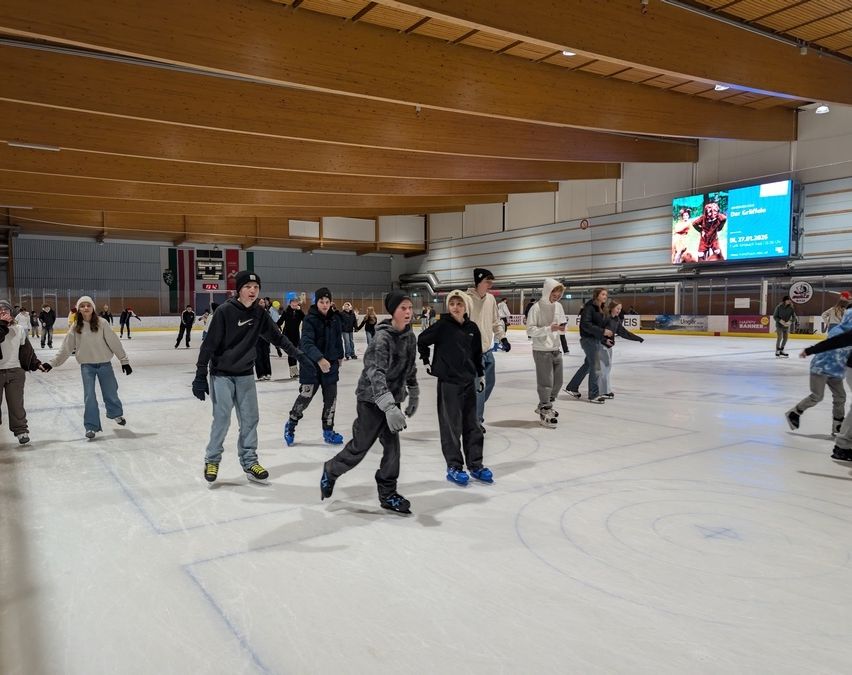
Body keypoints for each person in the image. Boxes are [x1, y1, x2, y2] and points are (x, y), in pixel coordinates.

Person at [193, 271, 311, 484]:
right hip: (222, 374)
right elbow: (209, 344)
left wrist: (299, 356)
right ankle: (212, 459)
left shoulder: (259, 313)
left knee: (250, 419)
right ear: (239, 289)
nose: (252, 290)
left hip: (245, 374)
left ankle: (249, 461)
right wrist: (201, 373)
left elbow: (277, 337)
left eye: (256, 287)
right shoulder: (224, 311)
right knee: (222, 419)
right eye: (248, 286)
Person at [320, 291, 418, 514]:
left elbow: (410, 367)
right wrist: (389, 406)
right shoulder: (382, 338)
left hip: (391, 402)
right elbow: (375, 373)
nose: (408, 312)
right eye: (403, 308)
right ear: (393, 311)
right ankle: (331, 469)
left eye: (410, 308)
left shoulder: (410, 337)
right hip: (370, 400)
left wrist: (413, 392)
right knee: (360, 447)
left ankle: (388, 493)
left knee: (393, 450)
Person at [418, 290, 490, 485]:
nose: (455, 307)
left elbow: (476, 354)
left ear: (466, 306)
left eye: (459, 304)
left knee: (472, 425)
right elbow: (422, 340)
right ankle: (454, 466)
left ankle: (475, 465)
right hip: (448, 382)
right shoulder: (442, 326)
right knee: (451, 426)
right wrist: (425, 360)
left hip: (468, 381)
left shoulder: (472, 328)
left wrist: (480, 373)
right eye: (452, 304)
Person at [46, 296, 132, 440]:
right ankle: (91, 426)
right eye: (82, 306)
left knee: (111, 391)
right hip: (87, 367)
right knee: (89, 396)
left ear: (93, 308)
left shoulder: (102, 323)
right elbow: (66, 348)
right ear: (78, 309)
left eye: (88, 305)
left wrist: (124, 360)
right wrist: (52, 363)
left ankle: (115, 414)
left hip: (105, 364)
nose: (86, 308)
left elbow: (114, 342)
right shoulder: (75, 326)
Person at [283, 287, 345, 446]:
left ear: (331, 302)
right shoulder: (310, 320)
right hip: (311, 366)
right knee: (305, 398)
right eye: (321, 302)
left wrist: (339, 355)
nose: (324, 305)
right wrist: (319, 359)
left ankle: (328, 431)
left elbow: (338, 339)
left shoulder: (335, 319)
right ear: (316, 302)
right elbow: (307, 343)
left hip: (330, 366)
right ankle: (291, 424)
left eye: (327, 302)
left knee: (331, 400)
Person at [788, 309, 852, 437]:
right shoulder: (837, 331)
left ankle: (837, 425)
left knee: (840, 397)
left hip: (836, 371)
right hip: (821, 368)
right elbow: (829, 345)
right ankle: (794, 412)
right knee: (817, 396)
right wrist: (809, 351)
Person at [0, 300, 48, 445]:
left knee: (16, 404)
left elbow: (26, 350)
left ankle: (21, 430)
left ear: (11, 313)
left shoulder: (19, 329)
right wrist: (2, 324)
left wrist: (36, 364)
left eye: (5, 310)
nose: (2, 312)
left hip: (15, 371)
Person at [467, 268, 510, 431]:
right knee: (480, 387)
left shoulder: (491, 299)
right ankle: (476, 421)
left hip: (488, 350)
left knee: (490, 383)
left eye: (491, 282)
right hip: (473, 352)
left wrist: (502, 337)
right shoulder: (467, 299)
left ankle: (471, 409)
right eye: (487, 281)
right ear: (478, 282)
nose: (490, 285)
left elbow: (495, 321)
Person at [526, 278, 567, 428]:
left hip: (556, 348)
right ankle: (545, 407)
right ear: (547, 291)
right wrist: (550, 329)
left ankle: (545, 404)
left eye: (558, 294)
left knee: (558, 381)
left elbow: (562, 324)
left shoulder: (559, 307)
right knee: (546, 382)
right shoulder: (536, 308)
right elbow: (530, 330)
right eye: (554, 293)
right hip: (541, 350)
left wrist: (562, 329)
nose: (556, 296)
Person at [565, 288, 612, 404]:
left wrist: (605, 338)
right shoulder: (589, 307)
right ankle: (593, 394)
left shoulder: (602, 309)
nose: (605, 296)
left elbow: (602, 326)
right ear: (596, 295)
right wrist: (602, 331)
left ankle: (572, 386)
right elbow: (586, 324)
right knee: (595, 366)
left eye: (606, 294)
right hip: (588, 339)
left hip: (596, 339)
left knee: (588, 365)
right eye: (603, 294)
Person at [598, 300, 644, 399]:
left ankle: (604, 389)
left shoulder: (616, 319)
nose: (619, 310)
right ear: (612, 308)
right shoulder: (605, 318)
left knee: (607, 368)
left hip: (608, 346)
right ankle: (602, 390)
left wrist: (637, 338)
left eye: (620, 309)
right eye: (617, 308)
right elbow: (596, 331)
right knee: (603, 368)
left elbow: (623, 332)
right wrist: (604, 340)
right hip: (600, 345)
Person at [281, 297, 305, 379]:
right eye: (293, 303)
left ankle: (295, 371)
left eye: (296, 303)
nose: (294, 304)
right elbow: (280, 321)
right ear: (290, 303)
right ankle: (292, 371)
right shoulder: (286, 312)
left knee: (295, 353)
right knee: (291, 353)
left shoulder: (299, 312)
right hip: (287, 335)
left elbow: (305, 319)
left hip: (296, 336)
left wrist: (300, 310)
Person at [254, 298, 273, 381]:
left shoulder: (267, 313)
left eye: (263, 302)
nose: (262, 304)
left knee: (266, 355)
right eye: (260, 302)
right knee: (258, 356)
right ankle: (260, 374)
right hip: (257, 338)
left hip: (266, 338)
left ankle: (268, 372)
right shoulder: (253, 313)